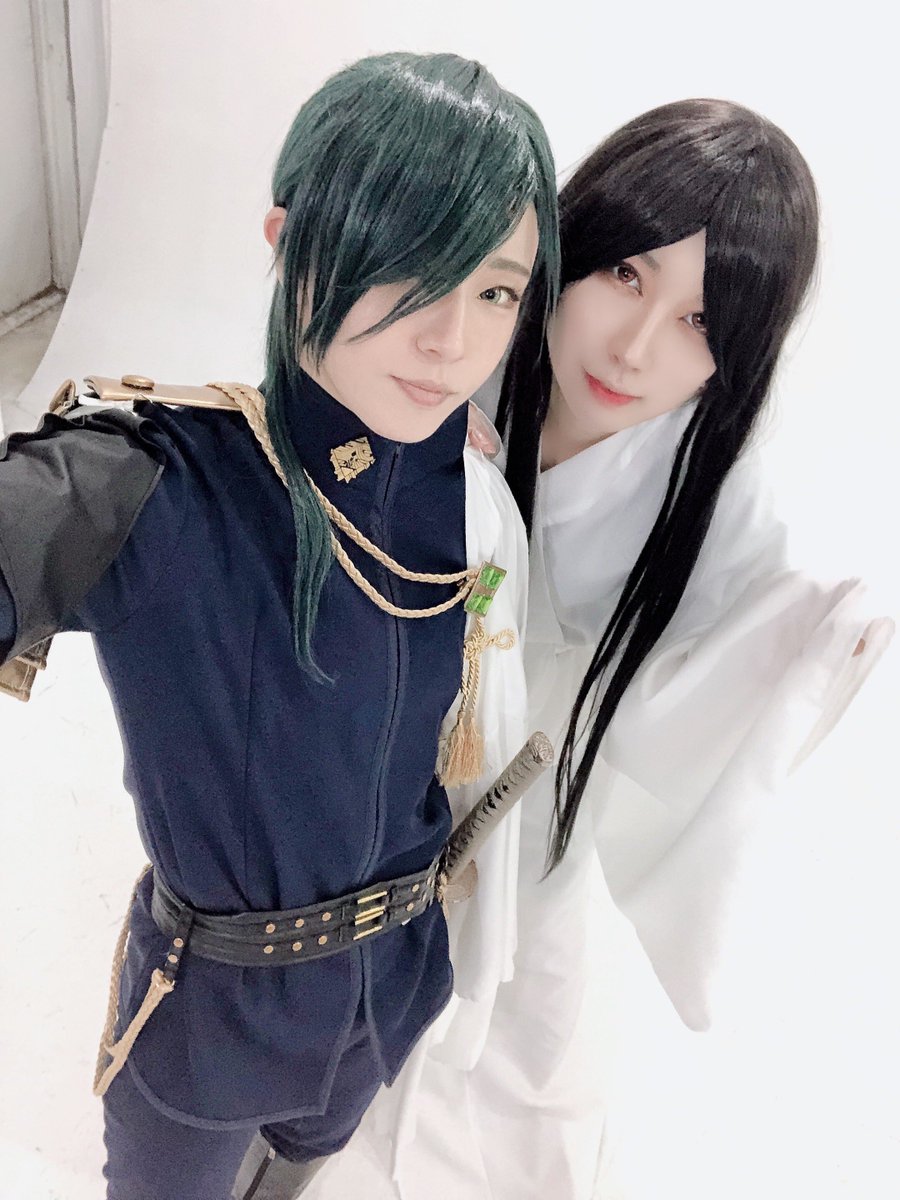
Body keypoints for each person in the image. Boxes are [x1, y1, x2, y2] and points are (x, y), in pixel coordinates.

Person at [0, 52, 559, 1200]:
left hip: (393, 991)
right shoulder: (161, 486)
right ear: (287, 243)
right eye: (408, 268)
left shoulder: (467, 485)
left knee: (303, 1174)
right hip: (212, 1022)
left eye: (496, 291)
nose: (451, 341)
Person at [311, 99, 893, 1199]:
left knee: (536, 1030)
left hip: (544, 796)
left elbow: (696, 718)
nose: (635, 347)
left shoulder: (723, 499)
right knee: (348, 980)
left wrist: (802, 649)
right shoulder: (467, 357)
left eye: (700, 320)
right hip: (389, 742)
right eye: (626, 275)